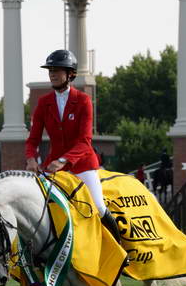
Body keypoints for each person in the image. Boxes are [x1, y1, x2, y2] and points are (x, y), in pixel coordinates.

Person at [25, 49, 120, 242]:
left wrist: (62, 160)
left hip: (82, 164)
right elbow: (33, 139)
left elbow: (85, 140)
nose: (52, 73)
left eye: (57, 70)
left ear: (70, 74)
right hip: (54, 166)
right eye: (50, 70)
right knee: (42, 208)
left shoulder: (83, 100)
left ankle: (120, 247)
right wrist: (31, 158)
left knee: (99, 206)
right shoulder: (44, 103)